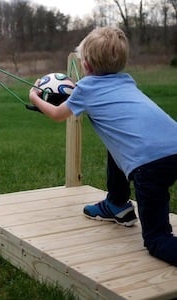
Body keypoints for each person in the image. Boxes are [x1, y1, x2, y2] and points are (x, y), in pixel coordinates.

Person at [29, 26, 177, 266]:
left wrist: (35, 96)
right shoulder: (127, 81)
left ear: (86, 66)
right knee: (117, 143)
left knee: (157, 240)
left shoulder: (85, 89)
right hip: (173, 144)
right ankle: (117, 205)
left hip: (150, 164)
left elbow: (57, 114)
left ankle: (126, 211)